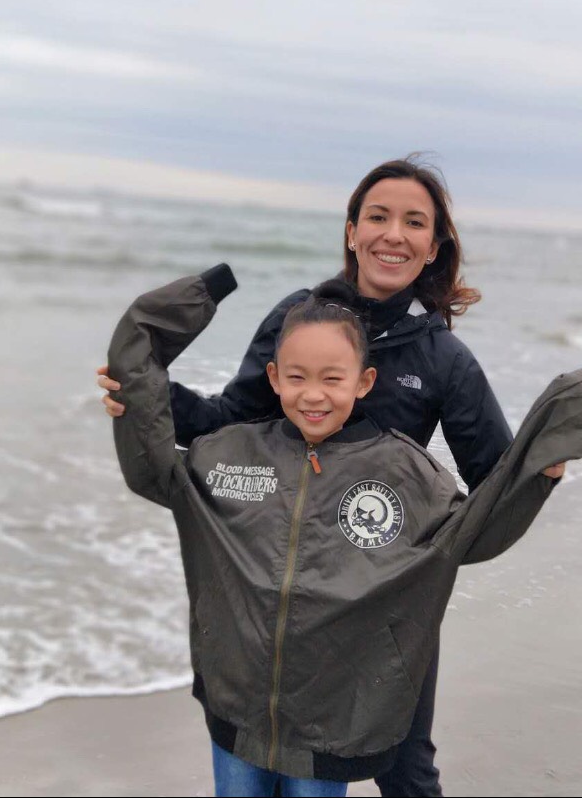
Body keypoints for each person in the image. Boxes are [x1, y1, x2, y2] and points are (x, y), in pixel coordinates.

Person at [97, 156, 548, 796]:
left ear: (433, 246)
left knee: (406, 766)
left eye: (414, 223)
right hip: (282, 582)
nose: (394, 233)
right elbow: (232, 423)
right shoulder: (297, 318)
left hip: (382, 605)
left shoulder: (443, 358)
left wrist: (543, 465)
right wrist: (146, 395)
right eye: (378, 217)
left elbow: (493, 485)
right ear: (351, 230)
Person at [107, 267, 582, 797]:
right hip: (236, 713)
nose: (313, 394)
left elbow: (474, 530)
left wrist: (544, 461)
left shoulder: (408, 474)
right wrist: (138, 378)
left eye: (332, 378)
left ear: (364, 382)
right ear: (273, 378)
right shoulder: (229, 453)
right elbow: (155, 468)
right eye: (296, 377)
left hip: (329, 728)